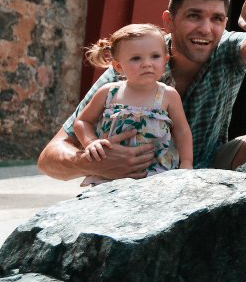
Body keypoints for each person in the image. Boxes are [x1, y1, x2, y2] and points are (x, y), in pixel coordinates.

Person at [37, 0, 246, 181]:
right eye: (194, 16)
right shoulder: (130, 66)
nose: (206, 29)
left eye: (216, 19)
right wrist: (93, 161)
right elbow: (50, 157)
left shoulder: (227, 49)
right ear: (169, 21)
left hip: (204, 166)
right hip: (136, 176)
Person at [74, 23, 192, 186]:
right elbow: (82, 122)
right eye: (136, 58)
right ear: (118, 66)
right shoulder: (109, 93)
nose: (147, 63)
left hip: (156, 173)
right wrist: (91, 142)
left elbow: (182, 130)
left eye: (155, 56)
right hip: (111, 173)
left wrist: (186, 163)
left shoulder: (167, 95)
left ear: (165, 59)